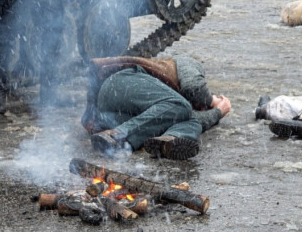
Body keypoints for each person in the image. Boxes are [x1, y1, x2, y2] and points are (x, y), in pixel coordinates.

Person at [82, 55, 231, 161]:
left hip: (112, 116)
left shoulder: (167, 110)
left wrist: (217, 113)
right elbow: (194, 87)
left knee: (191, 121)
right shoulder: (185, 63)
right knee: (181, 106)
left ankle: (169, 141)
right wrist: (213, 102)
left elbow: (196, 118)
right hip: (119, 84)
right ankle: (117, 136)